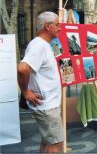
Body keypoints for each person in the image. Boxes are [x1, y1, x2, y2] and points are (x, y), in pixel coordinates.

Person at [17, 11, 64, 153]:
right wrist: (25, 92)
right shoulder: (39, 45)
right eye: (57, 25)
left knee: (48, 141)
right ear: (47, 26)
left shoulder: (42, 44)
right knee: (56, 143)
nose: (59, 28)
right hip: (47, 106)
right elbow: (22, 68)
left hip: (47, 104)